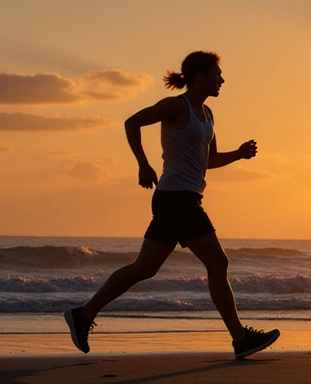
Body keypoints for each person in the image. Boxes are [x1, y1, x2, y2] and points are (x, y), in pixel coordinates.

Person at [65, 51, 279, 359]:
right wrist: (142, 164)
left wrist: (239, 154)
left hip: (181, 199)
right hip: (176, 199)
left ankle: (83, 315)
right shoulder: (176, 107)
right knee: (218, 263)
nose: (222, 80)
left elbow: (210, 161)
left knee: (144, 268)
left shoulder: (208, 115)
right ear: (200, 76)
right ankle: (240, 338)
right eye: (217, 74)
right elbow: (132, 122)